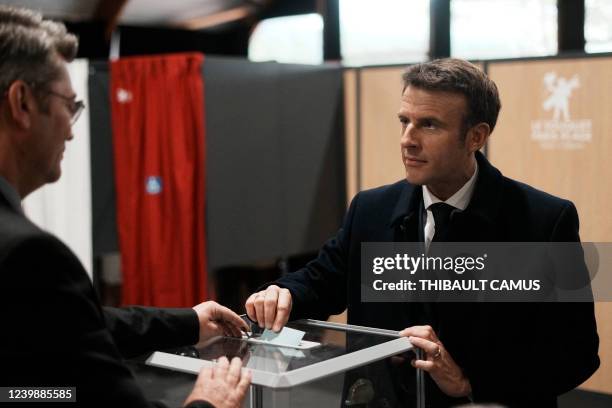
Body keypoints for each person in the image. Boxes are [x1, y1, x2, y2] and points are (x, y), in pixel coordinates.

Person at [246, 58, 600, 407]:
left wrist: (468, 381)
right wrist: (283, 293)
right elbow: (322, 281)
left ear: (476, 136)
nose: (407, 139)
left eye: (428, 125)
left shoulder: (545, 221)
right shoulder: (370, 209)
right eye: (404, 121)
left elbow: (577, 354)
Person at [0, 6, 250, 408]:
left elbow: (66, 328)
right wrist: (209, 402)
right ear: (22, 103)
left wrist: (186, 322)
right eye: (70, 105)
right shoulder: (29, 254)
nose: (70, 128)